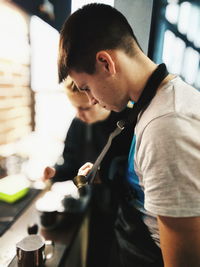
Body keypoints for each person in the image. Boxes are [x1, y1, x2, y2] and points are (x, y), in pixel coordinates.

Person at [57, 3, 200, 267]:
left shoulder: (167, 125)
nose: (92, 100)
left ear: (105, 63)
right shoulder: (151, 105)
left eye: (87, 88)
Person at [43, 76, 133, 183]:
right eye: (75, 107)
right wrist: (55, 172)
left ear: (100, 99)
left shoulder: (130, 120)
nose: (78, 114)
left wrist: (101, 174)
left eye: (84, 108)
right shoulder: (78, 123)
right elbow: (71, 163)